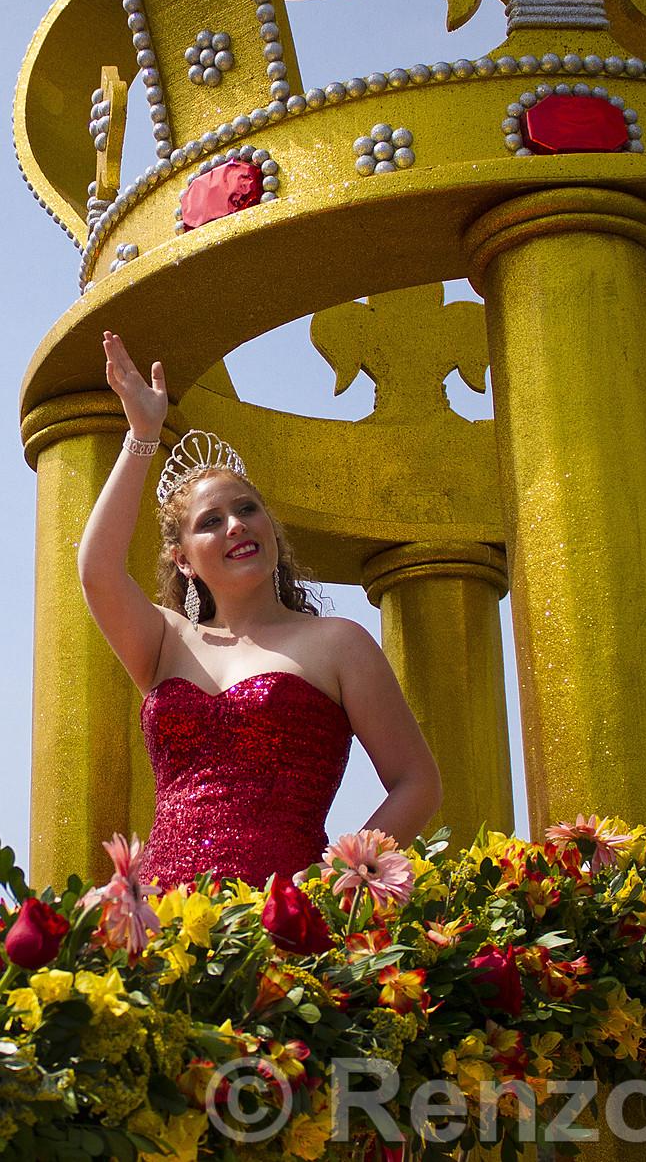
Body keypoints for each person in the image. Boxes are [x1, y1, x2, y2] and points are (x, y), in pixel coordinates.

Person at [77, 330, 442, 889]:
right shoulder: (165, 642)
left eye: (247, 509)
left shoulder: (338, 643)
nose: (236, 525)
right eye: (211, 521)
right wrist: (142, 436)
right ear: (183, 561)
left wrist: (338, 882)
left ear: (269, 527)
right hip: (164, 925)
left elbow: (416, 781)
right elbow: (97, 569)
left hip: (284, 924)